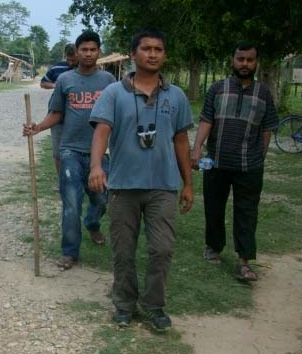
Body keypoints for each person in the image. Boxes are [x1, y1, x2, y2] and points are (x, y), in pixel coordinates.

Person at [88, 28, 194, 331]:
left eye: (158, 49)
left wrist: (187, 184)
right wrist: (96, 167)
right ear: (133, 54)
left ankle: (155, 305)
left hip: (163, 186)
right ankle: (124, 304)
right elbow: (101, 132)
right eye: (146, 49)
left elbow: (181, 141)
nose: (152, 54)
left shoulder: (176, 96)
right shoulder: (114, 93)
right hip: (123, 186)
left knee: (162, 249)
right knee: (123, 250)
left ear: (165, 55)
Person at [23, 31, 116, 270]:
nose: (88, 54)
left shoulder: (108, 81)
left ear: (99, 52)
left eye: (93, 49)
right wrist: (37, 127)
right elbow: (57, 113)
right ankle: (70, 251)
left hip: (100, 154)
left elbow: (118, 114)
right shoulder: (65, 80)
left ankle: (92, 223)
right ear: (77, 51)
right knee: (71, 203)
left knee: (102, 198)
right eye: (84, 49)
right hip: (70, 151)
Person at [191, 41, 278, 282]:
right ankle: (213, 247)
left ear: (256, 62)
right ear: (233, 60)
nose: (245, 64)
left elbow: (267, 129)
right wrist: (196, 149)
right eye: (240, 59)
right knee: (214, 207)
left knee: (247, 213)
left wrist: (260, 156)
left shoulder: (263, 93)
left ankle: (244, 261)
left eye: (250, 60)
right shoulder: (217, 89)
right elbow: (206, 120)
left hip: (249, 166)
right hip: (216, 161)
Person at [40, 43, 78, 180]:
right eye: (68, 59)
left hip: (78, 118)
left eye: (73, 60)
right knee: (57, 152)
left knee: (77, 151)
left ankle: (77, 179)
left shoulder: (85, 69)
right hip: (57, 115)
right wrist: (55, 85)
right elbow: (43, 83)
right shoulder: (57, 68)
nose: (71, 63)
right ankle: (62, 180)